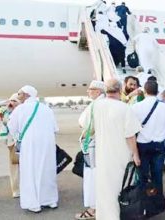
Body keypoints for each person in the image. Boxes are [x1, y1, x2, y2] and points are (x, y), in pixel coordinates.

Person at [88, 79, 141, 220]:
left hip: (102, 154)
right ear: (120, 90)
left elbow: (84, 124)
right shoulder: (124, 108)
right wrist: (136, 154)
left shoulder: (96, 106)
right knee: (120, 188)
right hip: (121, 155)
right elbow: (130, 135)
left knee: (104, 188)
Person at [8, 85, 59, 213]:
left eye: (19, 93)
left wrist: (17, 137)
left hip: (29, 145)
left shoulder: (20, 109)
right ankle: (50, 200)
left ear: (26, 95)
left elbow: (12, 127)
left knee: (30, 171)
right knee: (47, 170)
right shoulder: (46, 109)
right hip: (47, 144)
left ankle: (33, 203)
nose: (18, 95)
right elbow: (55, 128)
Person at [132, 81, 165, 193]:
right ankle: (157, 200)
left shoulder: (136, 107)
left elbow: (133, 126)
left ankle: (143, 200)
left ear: (144, 91)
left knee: (142, 175)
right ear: (157, 92)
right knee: (157, 174)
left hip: (142, 144)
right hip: (159, 145)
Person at [75, 81, 105, 220]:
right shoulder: (103, 103)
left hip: (94, 146)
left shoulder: (97, 105)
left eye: (90, 89)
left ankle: (94, 208)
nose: (88, 91)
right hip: (101, 145)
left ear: (98, 91)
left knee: (93, 177)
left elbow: (85, 123)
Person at [0, 93, 21, 198]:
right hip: (13, 143)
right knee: (14, 167)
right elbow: (5, 123)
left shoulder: (23, 111)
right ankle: (16, 189)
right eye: (11, 100)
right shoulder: (6, 112)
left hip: (24, 142)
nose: (12, 102)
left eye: (15, 100)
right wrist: (7, 108)